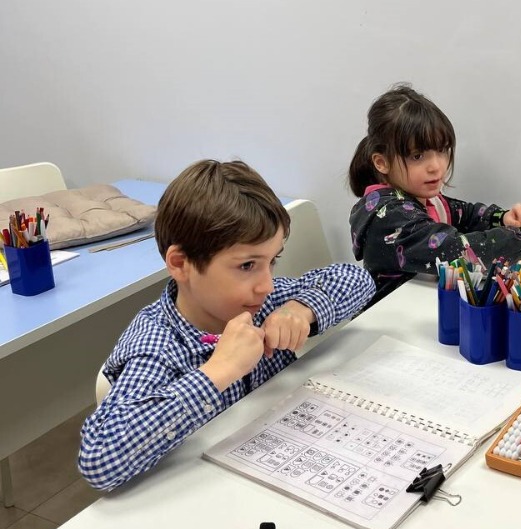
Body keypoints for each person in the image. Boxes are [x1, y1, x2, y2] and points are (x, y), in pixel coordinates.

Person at [79, 160, 375, 490]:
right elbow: (99, 459)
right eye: (247, 265)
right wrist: (219, 371)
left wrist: (301, 309)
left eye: (272, 261)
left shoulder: (265, 302)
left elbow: (357, 279)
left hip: (277, 459)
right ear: (181, 264)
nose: (266, 284)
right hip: (205, 490)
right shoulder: (158, 347)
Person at [349, 84, 521, 293]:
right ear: (382, 162)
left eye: (442, 150)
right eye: (417, 156)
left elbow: (465, 214)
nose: (436, 166)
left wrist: (502, 218)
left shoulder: (423, 198)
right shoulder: (388, 216)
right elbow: (457, 251)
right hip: (390, 314)